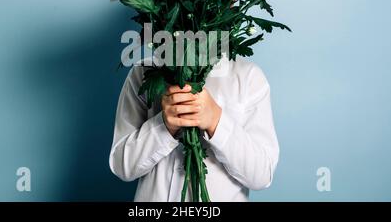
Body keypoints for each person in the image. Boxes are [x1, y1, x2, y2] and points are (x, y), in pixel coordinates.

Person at [109, 56, 279, 201]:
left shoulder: (247, 76)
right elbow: (121, 166)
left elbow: (262, 175)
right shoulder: (143, 72)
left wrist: (216, 122)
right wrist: (164, 125)